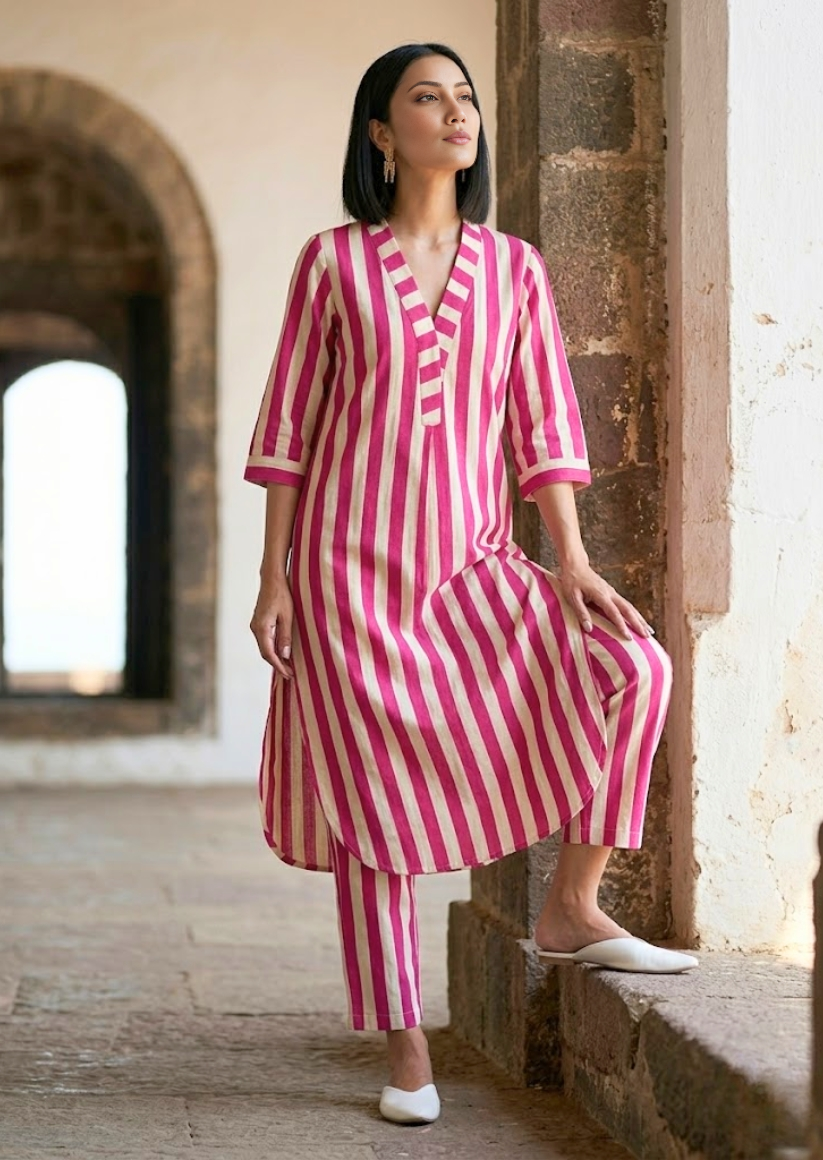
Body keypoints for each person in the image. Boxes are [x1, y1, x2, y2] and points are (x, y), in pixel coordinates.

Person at [245, 41, 698, 1127]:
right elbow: (287, 437)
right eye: (426, 98)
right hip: (344, 575)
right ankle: (406, 1047)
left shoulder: (514, 268)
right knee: (371, 811)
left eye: (464, 99)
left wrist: (574, 560)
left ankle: (570, 901)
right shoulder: (332, 264)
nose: (455, 114)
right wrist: (274, 578)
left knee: (635, 665)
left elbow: (543, 426)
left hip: (476, 567)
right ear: (378, 131)